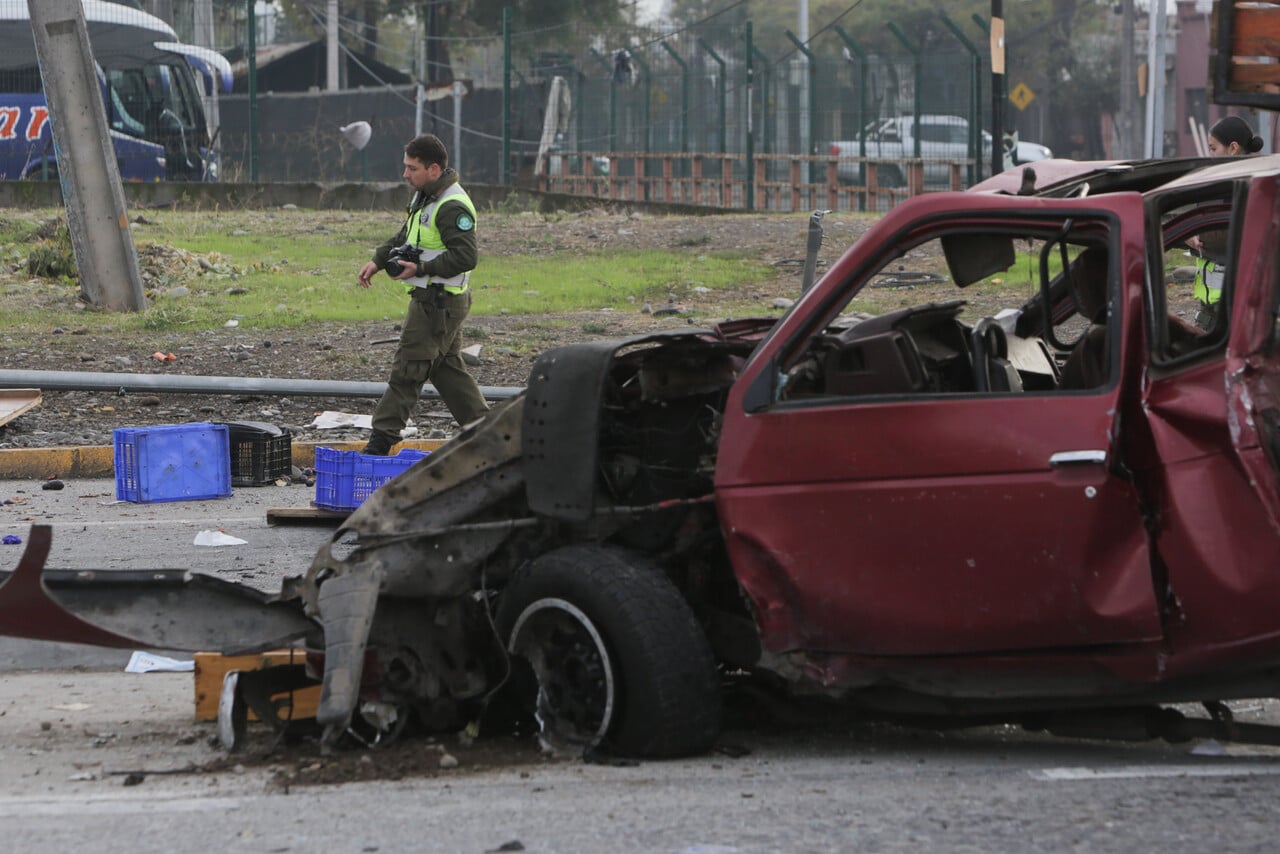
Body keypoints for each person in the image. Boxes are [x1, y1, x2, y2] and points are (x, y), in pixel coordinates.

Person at [357, 133, 489, 456]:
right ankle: (489, 437)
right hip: (439, 303)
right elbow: (406, 236)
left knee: (407, 371)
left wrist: (421, 270)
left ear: (433, 169)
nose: (405, 174)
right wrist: (378, 260)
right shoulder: (427, 196)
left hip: (437, 304)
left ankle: (379, 444)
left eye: (412, 168)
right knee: (447, 372)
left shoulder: (450, 205)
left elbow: (466, 256)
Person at [1187, 116, 1264, 329]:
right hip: (1216, 306)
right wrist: (1188, 233)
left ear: (1233, 148)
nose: (1210, 155)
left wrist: (1195, 233)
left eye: (1213, 148)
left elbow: (1234, 235)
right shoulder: (1220, 181)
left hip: (1236, 305)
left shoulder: (1249, 183)